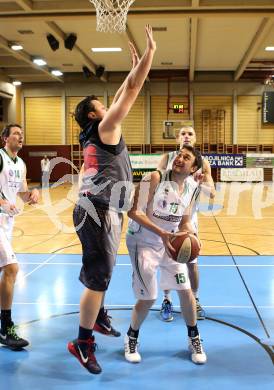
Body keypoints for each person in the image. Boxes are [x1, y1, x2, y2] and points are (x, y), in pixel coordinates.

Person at [67, 25, 156, 375]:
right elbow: (131, 90)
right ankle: (82, 342)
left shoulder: (94, 130)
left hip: (101, 208)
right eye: (101, 105)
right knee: (97, 277)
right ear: (93, 114)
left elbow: (123, 90)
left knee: (101, 271)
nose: (109, 105)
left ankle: (99, 316)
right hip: (98, 209)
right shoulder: (105, 128)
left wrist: (133, 68)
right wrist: (149, 54)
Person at [124, 145, 207, 365]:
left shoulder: (193, 188)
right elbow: (133, 212)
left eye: (186, 157)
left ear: (194, 168)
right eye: (179, 155)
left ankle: (194, 337)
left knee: (185, 290)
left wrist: (193, 235)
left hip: (169, 242)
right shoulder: (155, 177)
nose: (180, 158)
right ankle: (131, 337)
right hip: (142, 242)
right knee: (149, 297)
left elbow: (185, 220)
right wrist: (161, 232)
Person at [157, 126, 215, 322]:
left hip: (188, 218)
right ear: (177, 138)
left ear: (195, 138)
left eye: (191, 133)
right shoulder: (168, 158)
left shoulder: (201, 162)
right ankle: (166, 300)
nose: (187, 136)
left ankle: (195, 299)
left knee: (192, 263)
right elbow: (156, 182)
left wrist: (197, 181)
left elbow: (212, 192)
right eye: (183, 133)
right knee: (166, 262)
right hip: (166, 216)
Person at [0, 124, 39, 349]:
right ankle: (6, 327)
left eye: (21, 133)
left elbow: (22, 194)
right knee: (12, 268)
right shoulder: (0, 158)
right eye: (15, 133)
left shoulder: (21, 164)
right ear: (5, 138)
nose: (20, 136)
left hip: (7, 223)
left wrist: (31, 194)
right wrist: (2, 201)